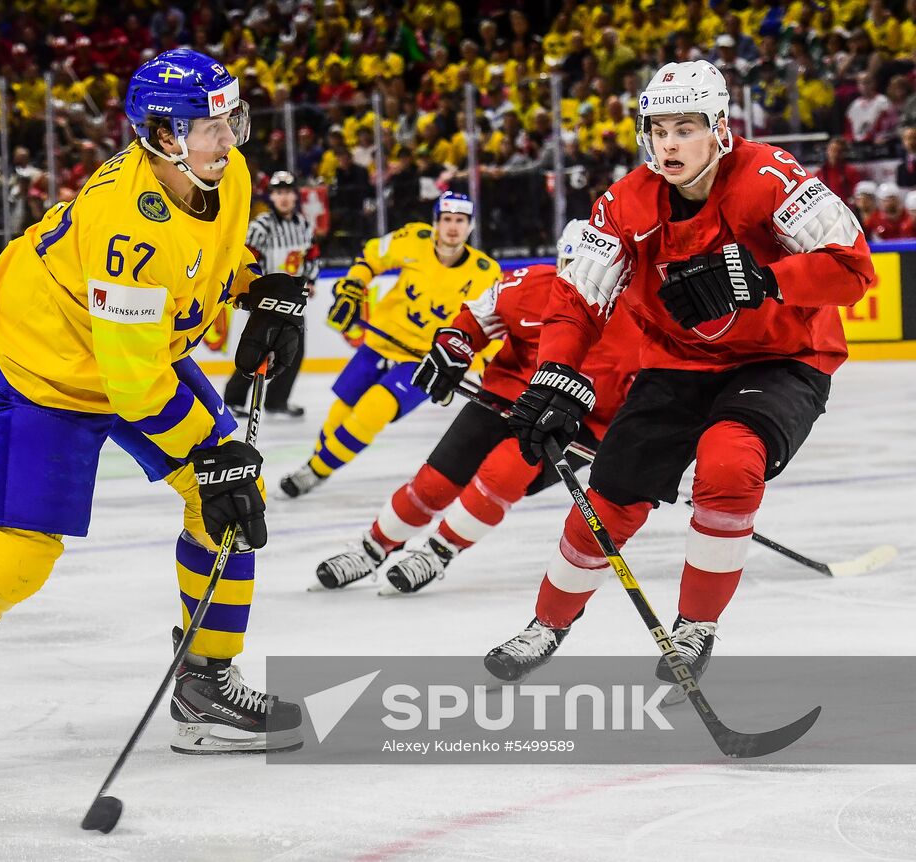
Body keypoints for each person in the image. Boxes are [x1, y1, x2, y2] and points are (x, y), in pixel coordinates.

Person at [0, 49, 308, 790]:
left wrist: (259, 287)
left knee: (224, 505)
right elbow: (131, 386)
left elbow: (200, 267)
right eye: (209, 126)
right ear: (161, 135)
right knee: (24, 550)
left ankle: (204, 685)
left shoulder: (224, 174)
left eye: (232, 120)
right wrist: (212, 450)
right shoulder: (125, 223)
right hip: (51, 369)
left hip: (133, 352)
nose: (229, 140)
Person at [486, 60, 874, 683]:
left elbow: (854, 270)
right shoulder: (624, 203)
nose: (669, 143)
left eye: (685, 127)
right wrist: (553, 374)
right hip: (677, 363)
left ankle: (694, 626)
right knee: (609, 497)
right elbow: (578, 298)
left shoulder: (772, 179)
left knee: (728, 462)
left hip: (783, 359)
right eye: (658, 128)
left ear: (719, 127)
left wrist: (763, 280)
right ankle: (548, 622)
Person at [312, 221, 641, 594]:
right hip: (503, 397)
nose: (579, 281)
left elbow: (652, 391)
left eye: (592, 271)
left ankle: (440, 551)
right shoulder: (530, 285)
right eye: (572, 266)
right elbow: (475, 319)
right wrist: (455, 347)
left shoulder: (640, 319)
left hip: (574, 424)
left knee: (503, 474)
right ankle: (373, 546)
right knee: (433, 483)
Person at [279, 192, 502, 498]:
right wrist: (353, 288)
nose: (453, 227)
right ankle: (318, 464)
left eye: (460, 221)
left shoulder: (485, 272)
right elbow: (370, 257)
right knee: (337, 418)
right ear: (435, 223)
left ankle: (315, 472)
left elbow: (488, 325)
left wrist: (491, 369)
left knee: (374, 410)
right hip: (379, 343)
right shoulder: (413, 238)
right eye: (447, 219)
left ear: (471, 226)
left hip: (426, 362)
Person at [223, 170, 320, 419]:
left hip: (293, 300)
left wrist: (310, 280)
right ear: (271, 197)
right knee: (258, 348)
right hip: (267, 300)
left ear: (295, 196)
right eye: (278, 192)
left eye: (287, 192)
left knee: (293, 351)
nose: (284, 197)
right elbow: (248, 260)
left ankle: (277, 401)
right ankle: (233, 399)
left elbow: (311, 256)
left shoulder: (304, 225)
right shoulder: (260, 227)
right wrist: (255, 290)